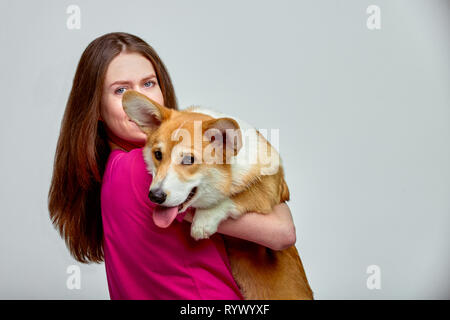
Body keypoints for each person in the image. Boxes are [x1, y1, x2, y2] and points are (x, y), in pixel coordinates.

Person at [48, 32, 297, 299]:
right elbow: (282, 232)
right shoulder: (142, 169)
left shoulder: (111, 173)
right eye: (121, 90)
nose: (142, 98)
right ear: (95, 108)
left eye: (148, 83)